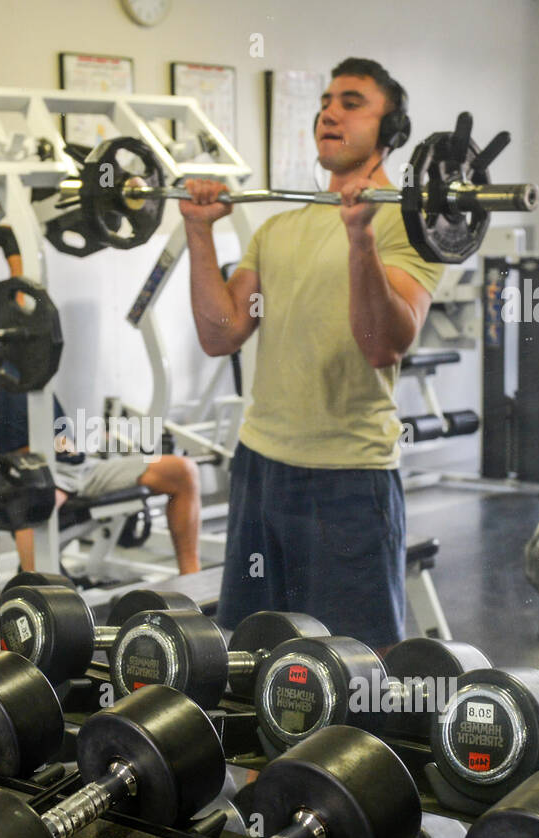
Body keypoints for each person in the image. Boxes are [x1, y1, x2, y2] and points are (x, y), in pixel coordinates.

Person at [179, 57, 444, 647]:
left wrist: (359, 238)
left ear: (391, 130)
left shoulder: (408, 221)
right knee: (250, 657)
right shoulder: (279, 230)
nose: (330, 112)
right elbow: (221, 334)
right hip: (259, 468)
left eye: (352, 102)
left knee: (350, 673)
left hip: (348, 477)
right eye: (327, 101)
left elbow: (382, 345)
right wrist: (199, 232)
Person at [0, 227, 202, 574]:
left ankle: (190, 583)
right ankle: (42, 604)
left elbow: (24, 302)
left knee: (183, 472)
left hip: (79, 467)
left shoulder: (8, 355)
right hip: (29, 479)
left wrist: (14, 248)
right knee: (29, 508)